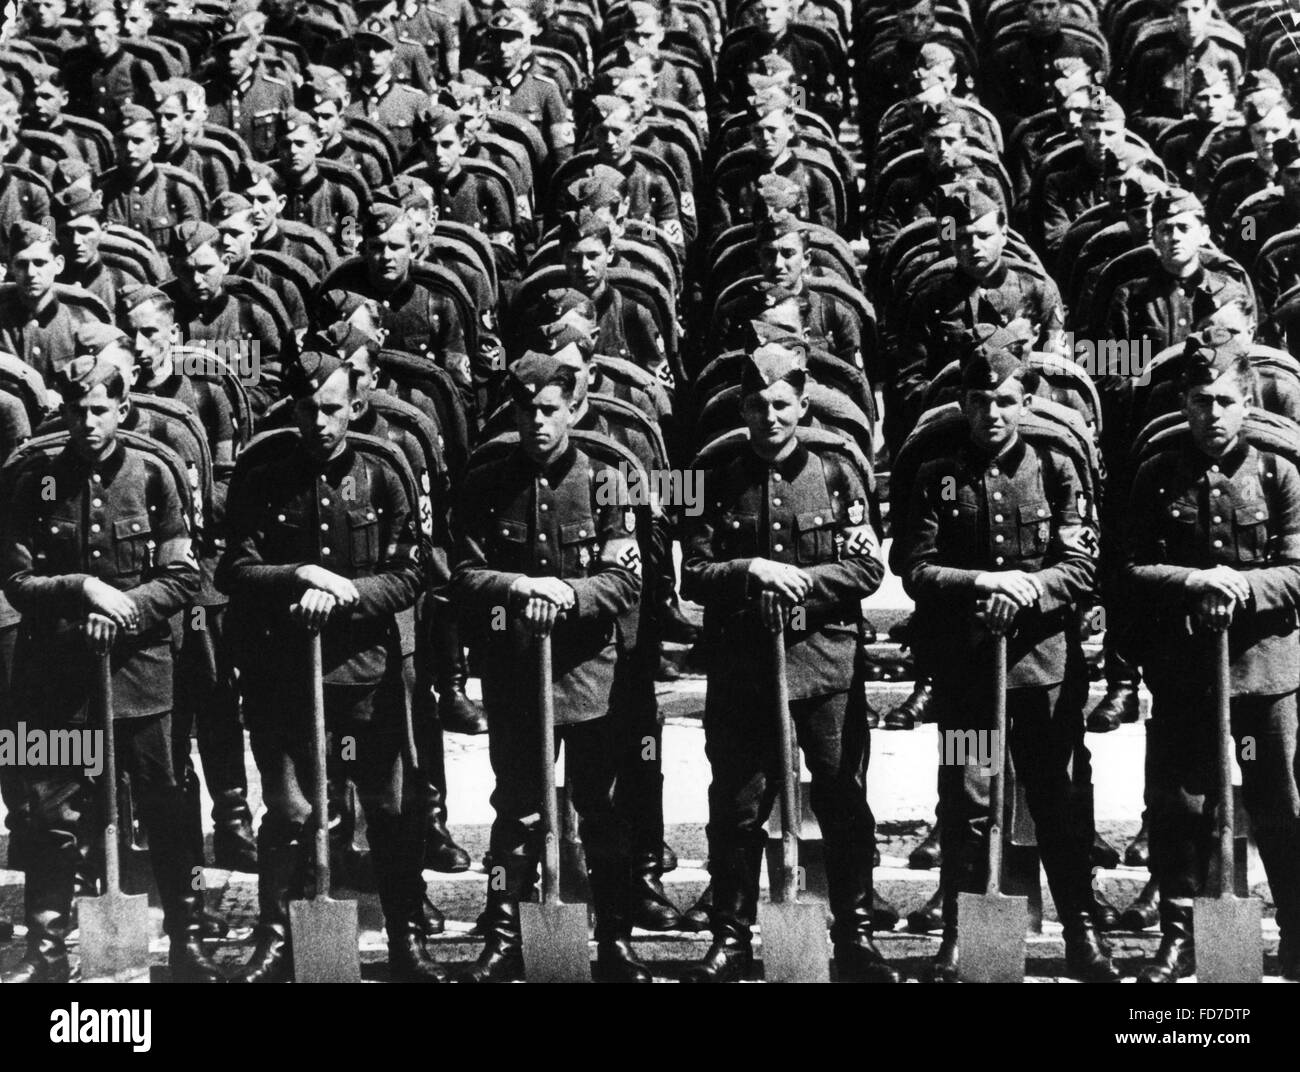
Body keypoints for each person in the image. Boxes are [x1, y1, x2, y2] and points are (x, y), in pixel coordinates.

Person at [216, 348, 447, 984]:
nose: (318, 421)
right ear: (291, 407)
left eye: (330, 408)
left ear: (354, 406)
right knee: (291, 812)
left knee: (391, 810)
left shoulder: (386, 467)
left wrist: (347, 591)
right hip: (283, 675)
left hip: (364, 673)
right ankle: (276, 939)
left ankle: (405, 939)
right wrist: (298, 576)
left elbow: (414, 570)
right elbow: (233, 566)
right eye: (306, 408)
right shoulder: (262, 470)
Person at [895, 341, 1119, 984]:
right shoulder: (939, 471)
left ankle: (1082, 931)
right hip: (966, 671)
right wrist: (979, 586)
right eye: (978, 401)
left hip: (1043, 668)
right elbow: (912, 565)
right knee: (966, 799)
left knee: (1057, 798)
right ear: (962, 404)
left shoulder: (1055, 467)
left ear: (1024, 403)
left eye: (1004, 400)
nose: (991, 412)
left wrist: (1032, 589)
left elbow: (1082, 563)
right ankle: (961, 936)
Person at [0, 348, 221, 984]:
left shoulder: (155, 473)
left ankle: (187, 938)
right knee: (49, 812)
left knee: (165, 804)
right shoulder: (33, 477)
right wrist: (79, 589)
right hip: (55, 677)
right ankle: (46, 945)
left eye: (100, 409)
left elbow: (182, 576)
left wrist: (123, 608)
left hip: (140, 675)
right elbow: (15, 578)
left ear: (122, 409)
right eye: (76, 410)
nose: (87, 422)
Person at [679, 346, 897, 983]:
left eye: (781, 404)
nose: (768, 416)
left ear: (802, 406)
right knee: (739, 807)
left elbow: (866, 566)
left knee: (841, 800)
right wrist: (750, 571)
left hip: (826, 667)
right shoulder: (711, 472)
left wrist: (802, 581)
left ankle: (855, 935)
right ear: (741, 407)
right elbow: (694, 574)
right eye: (756, 404)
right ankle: (731, 936)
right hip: (745, 669)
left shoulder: (837, 470)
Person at [450, 352, 646, 982]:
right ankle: (503, 930)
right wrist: (517, 586)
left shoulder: (611, 477)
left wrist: (573, 593)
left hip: (588, 675)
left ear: (573, 409)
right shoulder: (486, 481)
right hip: (514, 676)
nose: (536, 421)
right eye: (525, 410)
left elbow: (627, 579)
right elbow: (463, 573)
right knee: (517, 810)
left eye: (549, 409)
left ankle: (614, 937)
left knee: (599, 807)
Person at [1122, 336, 1300, 983]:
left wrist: (1244, 586)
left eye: (1226, 400)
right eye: (1201, 401)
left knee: (1274, 798)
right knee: (1182, 803)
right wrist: (1195, 583)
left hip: (1261, 673)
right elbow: (1133, 566)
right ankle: (1181, 935)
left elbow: (1298, 567)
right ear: (1183, 403)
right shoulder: (1157, 470)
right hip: (1187, 673)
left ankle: (1297, 931)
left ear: (1246, 401)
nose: (1213, 414)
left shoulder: (1280, 471)